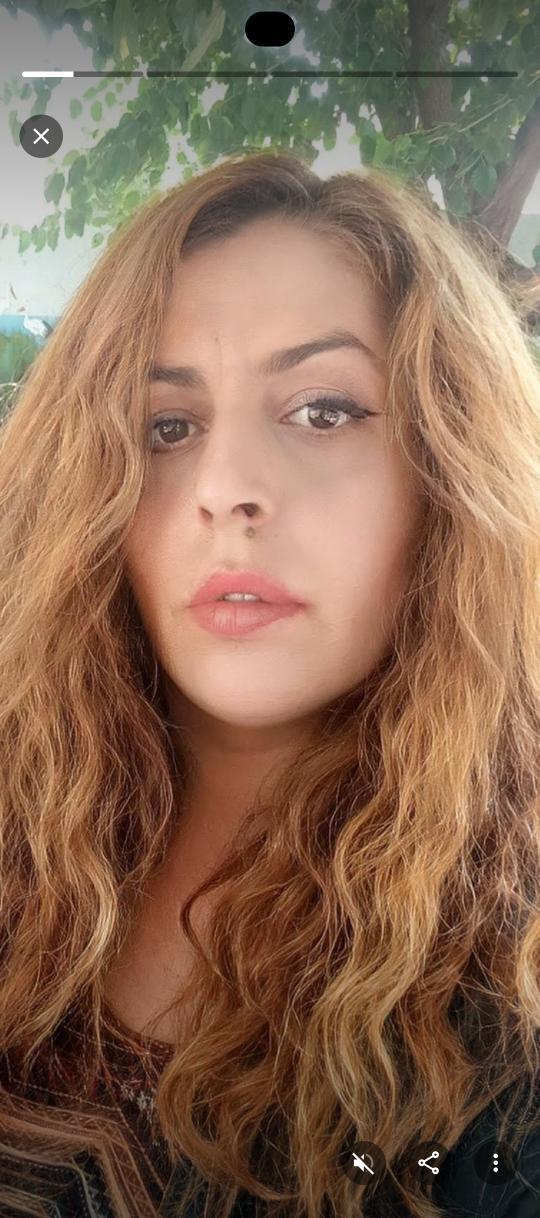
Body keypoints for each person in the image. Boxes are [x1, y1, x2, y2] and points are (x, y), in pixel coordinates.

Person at [0, 149, 539, 1218]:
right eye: (166, 427)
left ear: (450, 468)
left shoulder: (509, 981)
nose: (227, 487)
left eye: (323, 411)